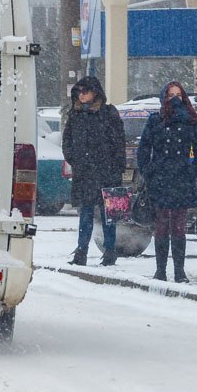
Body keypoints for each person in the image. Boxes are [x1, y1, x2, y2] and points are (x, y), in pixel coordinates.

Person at [136, 81, 197, 282]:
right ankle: (160, 270)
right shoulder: (155, 120)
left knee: (178, 226)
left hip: (182, 179)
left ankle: (179, 271)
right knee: (161, 226)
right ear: (164, 97)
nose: (175, 99)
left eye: (178, 95)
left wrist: (194, 169)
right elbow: (144, 148)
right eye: (170, 95)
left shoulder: (191, 121)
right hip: (160, 178)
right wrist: (148, 171)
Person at [62, 76, 126, 267]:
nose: (82, 95)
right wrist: (76, 160)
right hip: (85, 174)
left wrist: (115, 167)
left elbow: (118, 143)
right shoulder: (75, 115)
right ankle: (81, 251)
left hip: (107, 172)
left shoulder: (108, 114)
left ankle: (109, 251)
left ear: (95, 92)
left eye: (85, 91)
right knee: (86, 213)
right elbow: (67, 142)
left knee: (108, 214)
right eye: (79, 91)